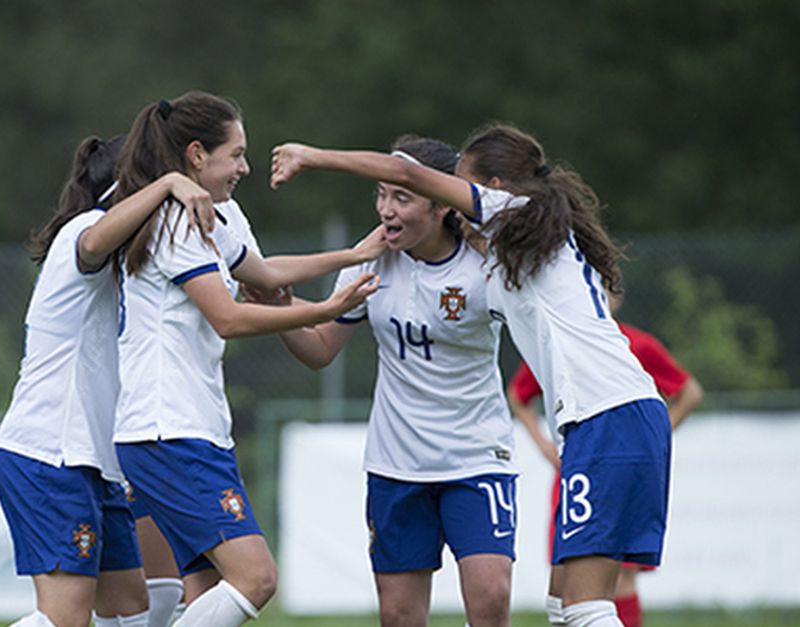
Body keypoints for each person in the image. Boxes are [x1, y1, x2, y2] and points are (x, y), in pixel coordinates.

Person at [271, 123, 672, 627]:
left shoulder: (514, 217)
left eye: (459, 188)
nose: (457, 203)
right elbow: (325, 335)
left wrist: (311, 155)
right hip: (606, 419)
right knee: (564, 605)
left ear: (494, 191)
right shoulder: (517, 249)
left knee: (585, 608)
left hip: (606, 418)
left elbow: (403, 169)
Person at [112, 90, 383, 627]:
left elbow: (262, 274)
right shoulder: (175, 220)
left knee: (209, 591)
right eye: (235, 154)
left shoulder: (219, 214)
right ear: (196, 154)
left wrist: (353, 255)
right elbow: (229, 318)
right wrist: (325, 309)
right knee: (256, 579)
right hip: (170, 430)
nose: (245, 167)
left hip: (189, 428)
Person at [249, 135, 517, 627]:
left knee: (491, 597)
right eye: (380, 194)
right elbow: (320, 350)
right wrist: (279, 308)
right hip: (396, 464)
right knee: (397, 615)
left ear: (440, 205)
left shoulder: (484, 267)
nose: (386, 210)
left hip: (476, 458)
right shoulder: (370, 260)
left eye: (401, 196)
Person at [0, 133, 218, 627]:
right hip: (51, 455)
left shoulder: (134, 258)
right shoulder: (86, 228)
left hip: (93, 464)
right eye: (160, 182)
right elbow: (94, 242)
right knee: (65, 621)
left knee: (135, 611)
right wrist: (170, 184)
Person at [508, 288, 703, 627]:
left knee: (615, 581)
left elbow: (689, 393)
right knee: (563, 586)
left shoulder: (635, 345)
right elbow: (518, 393)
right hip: (576, 469)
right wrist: (543, 444)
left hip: (618, 467)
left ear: (617, 296)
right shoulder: (562, 342)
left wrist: (651, 438)